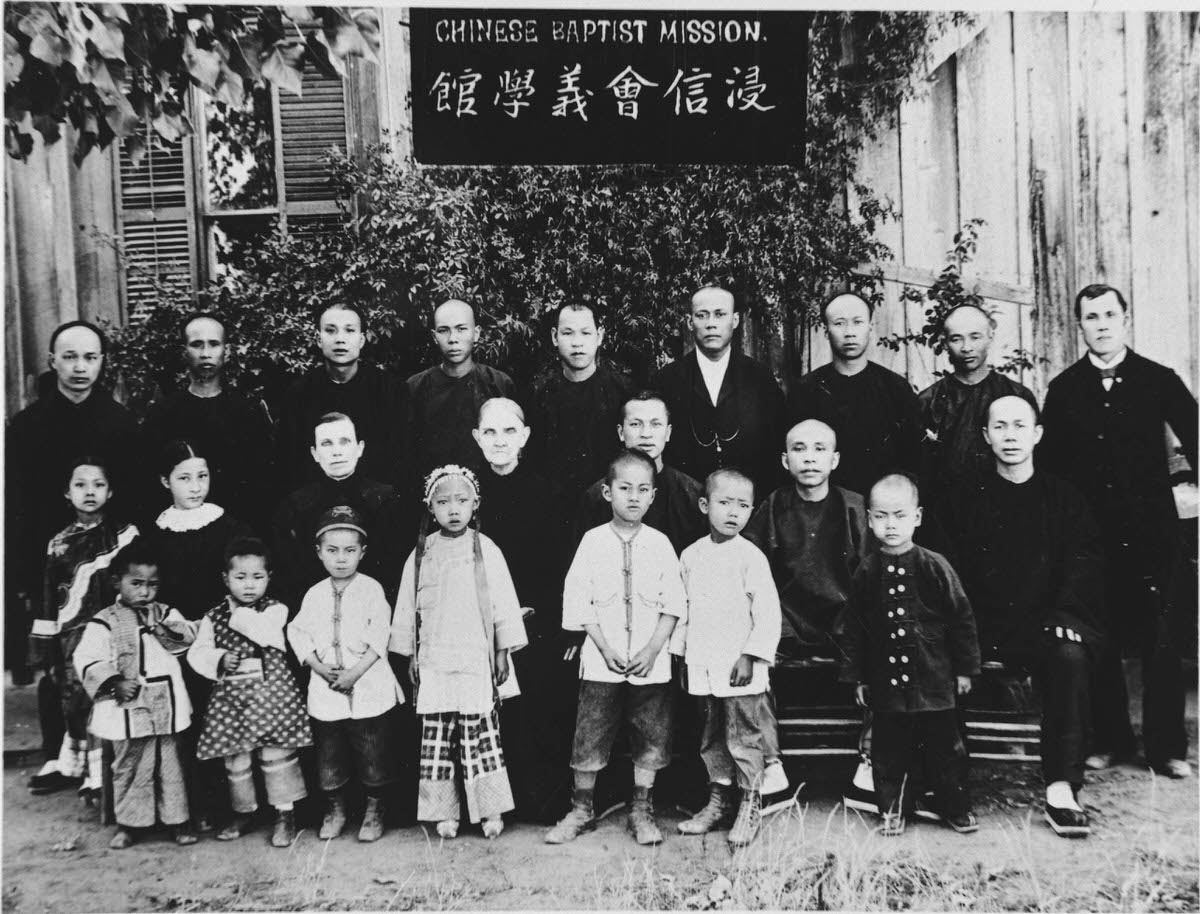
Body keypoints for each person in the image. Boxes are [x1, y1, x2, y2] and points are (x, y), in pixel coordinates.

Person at [1040, 284, 1199, 778]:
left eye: (1110, 314)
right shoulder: (1065, 389)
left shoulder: (1159, 380)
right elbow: (1050, 469)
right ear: (1079, 326)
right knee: (1101, 640)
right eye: (1091, 317)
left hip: (1154, 536)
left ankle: (1167, 748)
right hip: (1093, 541)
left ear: (1125, 319)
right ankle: (1110, 740)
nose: (1102, 324)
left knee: (1162, 641)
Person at [935, 395, 1105, 837]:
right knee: (936, 653)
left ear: (1037, 434)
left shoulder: (1064, 497)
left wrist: (1065, 610)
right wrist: (961, 626)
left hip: (1041, 625)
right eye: (1001, 427)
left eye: (1019, 426)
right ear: (987, 436)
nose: (1011, 436)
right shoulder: (962, 497)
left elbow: (1084, 560)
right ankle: (947, 787)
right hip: (977, 626)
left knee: (1070, 655)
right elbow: (946, 568)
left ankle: (1061, 788)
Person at [6, 320, 141, 745]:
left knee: (103, 648)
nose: (80, 367)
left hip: (105, 558)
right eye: (69, 357)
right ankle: (55, 752)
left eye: (90, 357)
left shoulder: (119, 423)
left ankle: (104, 755)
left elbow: (132, 499)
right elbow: (17, 505)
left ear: (102, 362)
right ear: (52, 361)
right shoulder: (27, 425)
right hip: (49, 562)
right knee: (54, 655)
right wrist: (25, 573)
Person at [546, 449, 687, 847]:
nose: (634, 497)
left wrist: (653, 649)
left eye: (643, 489)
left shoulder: (660, 544)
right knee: (590, 732)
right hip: (600, 660)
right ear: (607, 492)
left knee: (652, 732)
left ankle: (641, 809)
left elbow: (674, 604)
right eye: (624, 488)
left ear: (654, 496)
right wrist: (604, 648)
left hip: (650, 662)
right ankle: (581, 808)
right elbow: (578, 600)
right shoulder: (592, 542)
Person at [839, 475, 980, 837]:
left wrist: (965, 670)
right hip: (886, 684)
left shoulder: (935, 565)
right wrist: (857, 676)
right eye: (882, 517)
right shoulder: (867, 571)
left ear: (917, 518)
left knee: (945, 749)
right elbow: (854, 628)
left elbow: (961, 617)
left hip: (934, 679)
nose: (891, 525)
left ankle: (955, 807)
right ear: (869, 520)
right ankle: (892, 809)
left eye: (899, 516)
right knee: (889, 751)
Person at [391, 465, 528, 840]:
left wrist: (502, 652)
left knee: (480, 735)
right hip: (435, 659)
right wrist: (410, 656)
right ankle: (444, 813)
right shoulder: (422, 553)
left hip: (475, 658)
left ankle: (490, 811)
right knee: (437, 736)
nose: (453, 509)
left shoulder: (487, 550)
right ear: (430, 507)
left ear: (475, 504)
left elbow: (503, 603)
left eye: (462, 501)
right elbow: (407, 607)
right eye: (443, 501)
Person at [671, 468, 781, 847]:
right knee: (712, 736)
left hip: (739, 668)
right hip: (704, 664)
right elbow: (683, 611)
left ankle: (750, 805)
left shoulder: (751, 557)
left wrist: (750, 656)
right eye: (724, 503)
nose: (733, 512)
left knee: (744, 736)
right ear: (705, 505)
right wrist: (681, 656)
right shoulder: (691, 555)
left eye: (743, 505)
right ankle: (718, 801)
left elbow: (767, 613)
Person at [472, 398, 570, 822]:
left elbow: (560, 564)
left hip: (536, 618)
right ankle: (493, 804)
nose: (499, 441)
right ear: (476, 438)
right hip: (478, 622)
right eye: (490, 432)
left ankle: (540, 801)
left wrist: (530, 610)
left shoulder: (549, 492)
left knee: (538, 704)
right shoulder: (465, 494)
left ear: (525, 437)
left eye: (509, 432)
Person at [147, 439, 252, 831]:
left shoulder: (229, 526)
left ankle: (232, 809)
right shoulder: (156, 533)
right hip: (174, 639)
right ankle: (192, 809)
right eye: (184, 478)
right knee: (186, 722)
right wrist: (174, 622)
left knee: (222, 720)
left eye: (202, 477)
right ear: (165, 481)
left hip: (221, 639)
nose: (195, 487)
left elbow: (243, 577)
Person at [287, 506, 405, 842]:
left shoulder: (371, 589)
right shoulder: (314, 594)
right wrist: (320, 667)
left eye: (350, 551)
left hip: (365, 684)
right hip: (327, 689)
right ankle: (335, 808)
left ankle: (374, 810)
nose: (341, 559)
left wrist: (354, 673)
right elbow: (298, 633)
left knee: (373, 752)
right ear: (319, 552)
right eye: (333, 551)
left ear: (362, 553)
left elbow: (381, 634)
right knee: (330, 754)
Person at [187, 537, 313, 848]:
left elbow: (263, 633)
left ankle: (285, 814)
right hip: (233, 704)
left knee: (277, 756)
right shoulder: (212, 617)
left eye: (258, 577)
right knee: (237, 760)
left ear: (270, 577)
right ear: (225, 579)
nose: (248, 586)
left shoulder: (275, 610)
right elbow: (197, 653)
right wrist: (218, 659)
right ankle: (243, 812)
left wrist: (236, 613)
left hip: (273, 699)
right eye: (240, 577)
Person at [72, 540, 198, 849]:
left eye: (152, 584)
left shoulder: (165, 612)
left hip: (164, 702)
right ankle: (130, 823)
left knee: (170, 763)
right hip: (126, 706)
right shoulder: (105, 620)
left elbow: (188, 637)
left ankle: (177, 821)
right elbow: (87, 658)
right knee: (129, 764)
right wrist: (114, 682)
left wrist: (162, 630)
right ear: (118, 582)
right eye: (136, 583)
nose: (145, 591)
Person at [28, 457, 139, 799]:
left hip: (111, 628)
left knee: (107, 691)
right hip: (72, 632)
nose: (89, 492)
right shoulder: (58, 543)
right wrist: (46, 645)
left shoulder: (123, 534)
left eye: (98, 485)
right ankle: (80, 769)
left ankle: (104, 775)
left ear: (110, 491)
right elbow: (49, 596)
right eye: (80, 485)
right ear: (67, 492)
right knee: (74, 694)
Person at [744, 420, 870, 661]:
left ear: (834, 460)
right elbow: (753, 571)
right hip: (788, 625)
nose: (809, 458)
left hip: (844, 626)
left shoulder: (853, 507)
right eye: (799, 449)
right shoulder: (774, 505)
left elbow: (870, 574)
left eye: (819, 449)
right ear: (785, 460)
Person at [653, 286, 786, 500]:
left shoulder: (760, 378)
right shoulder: (667, 380)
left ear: (735, 321)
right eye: (702, 315)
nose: (711, 323)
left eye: (720, 314)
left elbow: (776, 445)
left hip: (747, 505)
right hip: (684, 505)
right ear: (690, 322)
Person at [141, 313, 275, 527]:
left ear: (226, 351)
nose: (205, 353)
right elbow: (151, 486)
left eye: (213, 344)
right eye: (196, 345)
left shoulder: (248, 413)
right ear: (184, 352)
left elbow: (262, 486)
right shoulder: (163, 414)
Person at [788, 293, 922, 497]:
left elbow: (913, 461)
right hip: (824, 510)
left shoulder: (895, 389)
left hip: (881, 511)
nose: (849, 332)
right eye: (839, 323)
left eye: (857, 322)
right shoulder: (805, 391)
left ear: (870, 327)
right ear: (826, 330)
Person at [272, 412, 408, 611]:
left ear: (359, 448)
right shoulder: (296, 506)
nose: (337, 452)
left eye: (344, 442)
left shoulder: (385, 500)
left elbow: (392, 568)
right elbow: (291, 574)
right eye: (327, 443)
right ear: (314, 453)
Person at [274, 303, 406, 491]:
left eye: (349, 330)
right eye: (331, 331)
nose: (340, 339)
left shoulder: (390, 390)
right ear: (319, 339)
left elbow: (399, 461)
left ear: (361, 340)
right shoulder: (299, 395)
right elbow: (290, 465)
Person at [916, 304, 1038, 507]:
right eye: (956, 339)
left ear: (990, 337)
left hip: (1007, 508)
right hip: (947, 514)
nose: (966, 347)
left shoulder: (1017, 396)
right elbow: (920, 470)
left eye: (975, 337)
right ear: (945, 343)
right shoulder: (929, 402)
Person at [526, 302, 637, 510]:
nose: (577, 343)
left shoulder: (623, 392)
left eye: (586, 333)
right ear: (554, 337)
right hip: (554, 510)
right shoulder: (539, 395)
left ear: (599, 336)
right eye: (568, 333)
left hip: (609, 507)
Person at [573, 391, 706, 557]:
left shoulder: (691, 494)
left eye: (655, 424)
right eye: (636, 424)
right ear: (621, 432)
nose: (646, 434)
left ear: (668, 432)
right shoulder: (597, 496)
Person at [405, 299, 517, 483]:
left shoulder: (499, 384)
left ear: (476, 333)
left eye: (461, 329)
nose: (452, 339)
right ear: (434, 336)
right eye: (443, 330)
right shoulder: (415, 388)